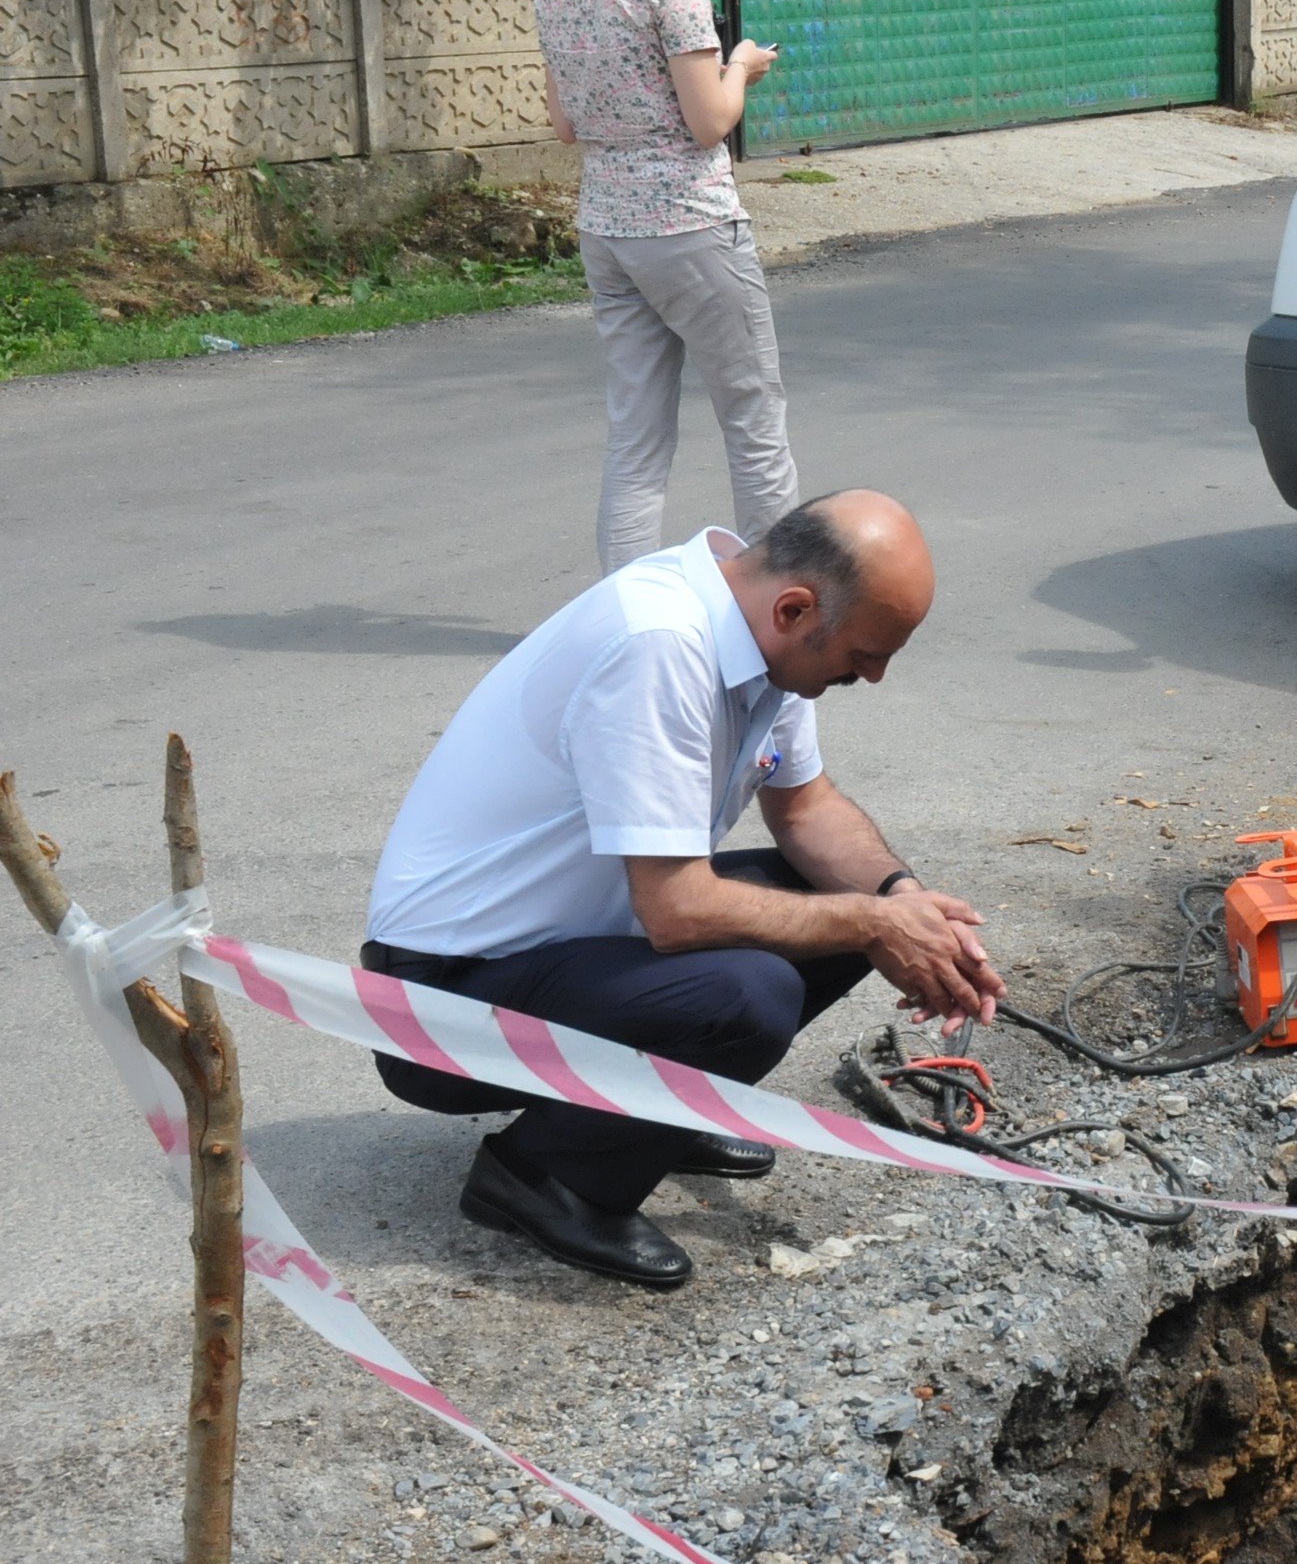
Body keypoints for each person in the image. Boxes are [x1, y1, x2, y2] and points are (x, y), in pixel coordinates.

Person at [360, 492, 1003, 1291]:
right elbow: (678, 911)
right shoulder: (659, 644)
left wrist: (902, 901)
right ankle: (543, 1176)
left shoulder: (763, 638)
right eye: (868, 652)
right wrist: (872, 920)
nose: (872, 676)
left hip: (560, 946)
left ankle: (651, 1112)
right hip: (439, 1006)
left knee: (845, 912)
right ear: (797, 608)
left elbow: (806, 809)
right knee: (750, 989)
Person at [539, 0, 799, 576]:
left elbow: (562, 124)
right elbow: (710, 122)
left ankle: (622, 616)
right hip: (689, 227)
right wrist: (742, 66)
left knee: (636, 436)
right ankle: (780, 612)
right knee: (754, 420)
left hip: (608, 232)